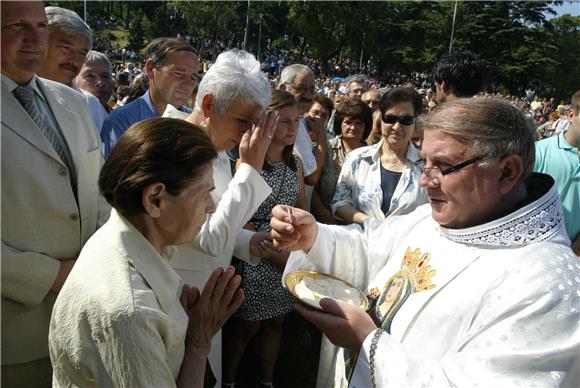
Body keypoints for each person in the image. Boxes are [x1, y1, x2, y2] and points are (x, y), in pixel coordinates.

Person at [271, 97, 579, 388]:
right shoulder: (439, 215)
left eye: (442, 166)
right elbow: (371, 249)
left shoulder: (549, 284)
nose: (423, 180)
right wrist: (316, 238)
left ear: (506, 172)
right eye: (425, 161)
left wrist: (370, 345)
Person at [49, 118, 243, 387]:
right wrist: (198, 342)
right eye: (204, 194)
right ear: (155, 200)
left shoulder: (121, 238)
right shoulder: (130, 315)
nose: (211, 207)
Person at [1, 1, 109, 385]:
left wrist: (97, 260)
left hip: (81, 317)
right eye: (17, 26)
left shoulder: (73, 101)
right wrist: (52, 275)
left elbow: (99, 192)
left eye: (41, 27)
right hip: (13, 334)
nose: (34, 39)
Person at [164, 49, 275, 386]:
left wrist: (247, 241)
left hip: (205, 311)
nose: (248, 135)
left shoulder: (216, 146)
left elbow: (212, 225)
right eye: (243, 121)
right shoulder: (171, 146)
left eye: (255, 125)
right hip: (173, 307)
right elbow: (209, 238)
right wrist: (250, 171)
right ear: (209, 105)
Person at [223, 90, 308, 388]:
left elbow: (302, 208)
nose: (293, 128)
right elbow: (239, 215)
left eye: (296, 121)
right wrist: (270, 251)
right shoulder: (248, 162)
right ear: (266, 123)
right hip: (254, 252)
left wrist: (293, 247)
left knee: (277, 323)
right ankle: (230, 381)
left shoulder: (294, 163)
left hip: (287, 252)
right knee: (247, 327)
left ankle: (266, 381)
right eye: (285, 121)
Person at [332, 88, 427, 225]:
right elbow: (340, 203)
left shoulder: (426, 165)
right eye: (390, 119)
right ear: (380, 119)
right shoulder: (356, 159)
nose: (397, 126)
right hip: (362, 241)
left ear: (415, 122)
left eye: (405, 120)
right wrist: (369, 222)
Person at [101, 38, 199, 157]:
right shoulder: (122, 121)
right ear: (150, 68)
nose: (188, 84)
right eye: (179, 73)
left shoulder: (195, 123)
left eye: (194, 77)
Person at [37, 6, 107, 134]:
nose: (74, 60)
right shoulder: (11, 96)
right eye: (66, 48)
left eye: (82, 53)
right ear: (39, 44)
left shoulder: (91, 105)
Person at [312, 98, 372, 224]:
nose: (353, 127)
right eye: (348, 122)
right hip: (325, 222)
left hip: (361, 225)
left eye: (359, 123)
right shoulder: (325, 148)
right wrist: (326, 217)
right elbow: (312, 188)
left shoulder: (373, 155)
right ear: (339, 124)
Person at [534, 90, 580, 255]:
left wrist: (571, 255)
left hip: (571, 259)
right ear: (571, 115)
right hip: (530, 253)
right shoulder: (539, 151)